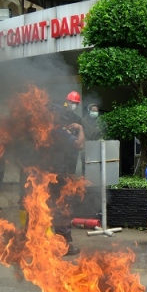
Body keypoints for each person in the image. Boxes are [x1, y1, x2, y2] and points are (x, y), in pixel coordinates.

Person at [49, 107, 86, 256]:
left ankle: (42, 242)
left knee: (50, 208)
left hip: (48, 174)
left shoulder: (46, 130)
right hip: (59, 175)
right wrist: (81, 129)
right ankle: (63, 245)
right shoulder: (60, 131)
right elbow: (79, 145)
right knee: (63, 208)